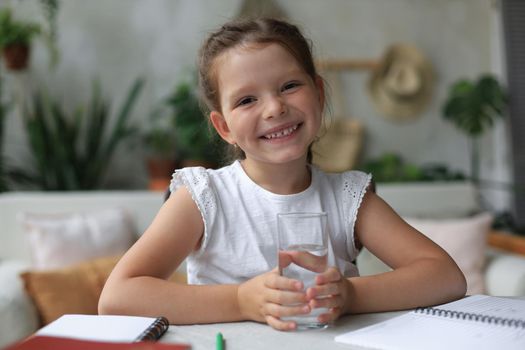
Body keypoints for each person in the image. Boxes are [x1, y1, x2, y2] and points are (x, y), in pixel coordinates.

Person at [99, 17, 466, 331]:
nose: (275, 108)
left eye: (289, 86)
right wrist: (242, 301)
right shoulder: (203, 198)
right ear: (224, 126)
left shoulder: (348, 198)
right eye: (247, 100)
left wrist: (351, 295)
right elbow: (117, 297)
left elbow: (445, 276)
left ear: (319, 95)